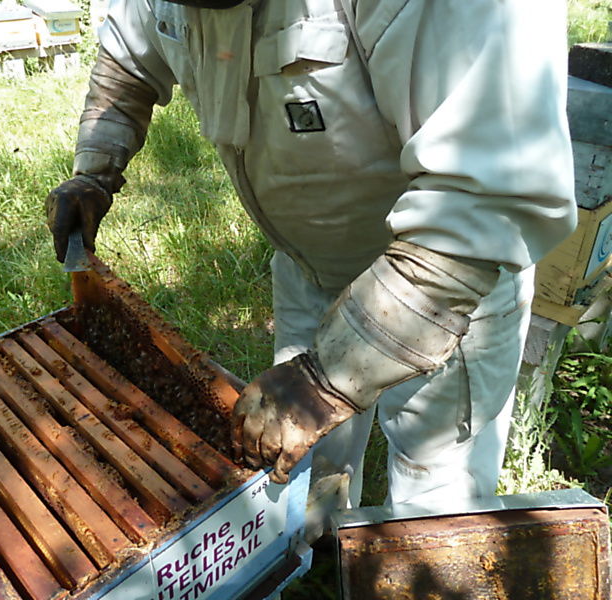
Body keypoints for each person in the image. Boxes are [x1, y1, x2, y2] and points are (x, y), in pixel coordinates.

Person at [46, 0, 576, 533]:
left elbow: (485, 195)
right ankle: (318, 564)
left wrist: (330, 382)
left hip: (446, 287)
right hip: (309, 267)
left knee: (433, 506)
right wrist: (95, 168)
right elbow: (128, 60)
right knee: (307, 476)